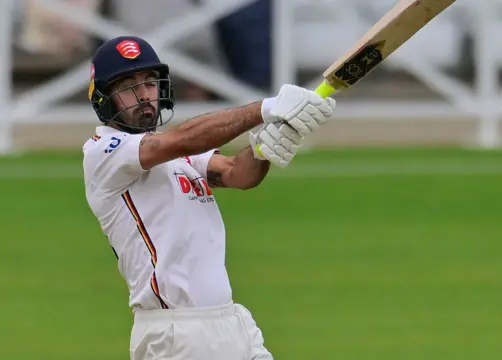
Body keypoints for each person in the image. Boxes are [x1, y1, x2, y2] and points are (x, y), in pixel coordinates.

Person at [82, 35, 336, 360]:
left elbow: (236, 172)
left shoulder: (174, 152)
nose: (143, 94)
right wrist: (265, 108)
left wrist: (268, 142)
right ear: (104, 99)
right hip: (175, 334)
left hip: (232, 321)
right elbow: (181, 141)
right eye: (128, 86)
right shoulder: (103, 153)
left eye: (149, 82)